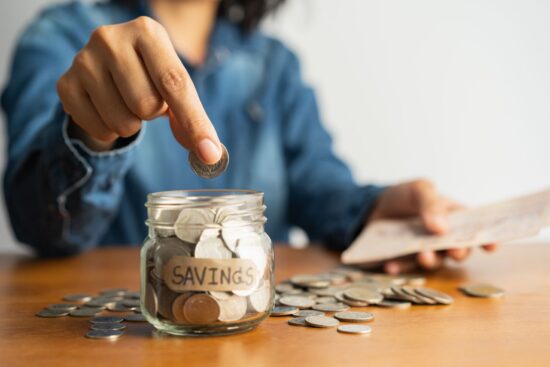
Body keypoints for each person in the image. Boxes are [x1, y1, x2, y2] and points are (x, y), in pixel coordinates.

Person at [1, 0, 495, 272]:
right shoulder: (62, 38)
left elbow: (319, 187)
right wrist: (90, 133)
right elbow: (40, 226)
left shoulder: (275, 65)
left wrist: (376, 208)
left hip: (259, 335)